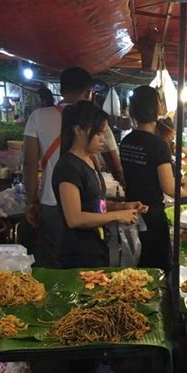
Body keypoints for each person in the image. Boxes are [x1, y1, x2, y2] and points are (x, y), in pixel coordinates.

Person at [23, 66, 125, 268]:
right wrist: (125, 193)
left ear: (61, 91)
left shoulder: (38, 116)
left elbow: (29, 163)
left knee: (55, 261)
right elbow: (116, 166)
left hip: (50, 203)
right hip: (79, 211)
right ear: (89, 92)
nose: (100, 137)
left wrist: (31, 201)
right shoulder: (94, 123)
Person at [52, 102, 144, 269]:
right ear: (78, 130)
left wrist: (122, 206)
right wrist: (117, 215)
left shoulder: (90, 159)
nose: (104, 139)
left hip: (96, 247)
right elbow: (74, 218)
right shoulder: (68, 167)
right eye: (99, 133)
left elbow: (94, 203)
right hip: (78, 254)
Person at [120, 86, 187, 272]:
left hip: (131, 211)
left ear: (133, 110)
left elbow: (139, 173)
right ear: (157, 108)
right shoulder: (158, 145)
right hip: (152, 217)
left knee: (138, 269)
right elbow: (169, 188)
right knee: (156, 270)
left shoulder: (126, 141)